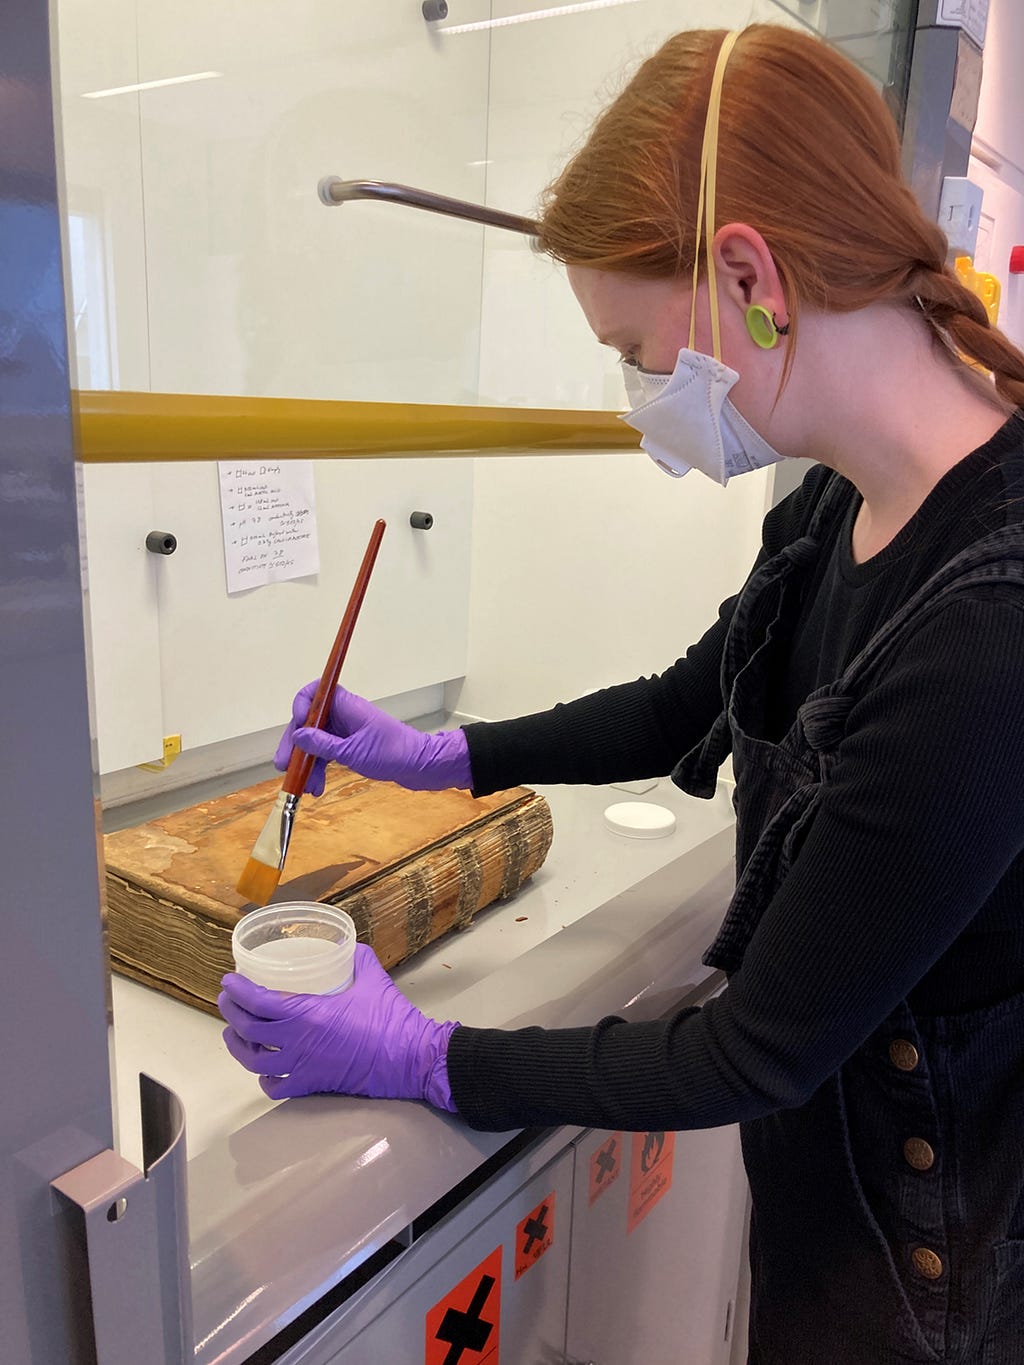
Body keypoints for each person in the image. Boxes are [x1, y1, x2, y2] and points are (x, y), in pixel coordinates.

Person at [218, 24, 1024, 1363]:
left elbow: (751, 1053)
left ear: (750, 274)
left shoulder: (986, 637)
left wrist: (424, 1056)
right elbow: (682, 704)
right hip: (835, 1211)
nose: (643, 396)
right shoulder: (841, 502)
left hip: (931, 1276)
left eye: (640, 347)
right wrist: (434, 755)